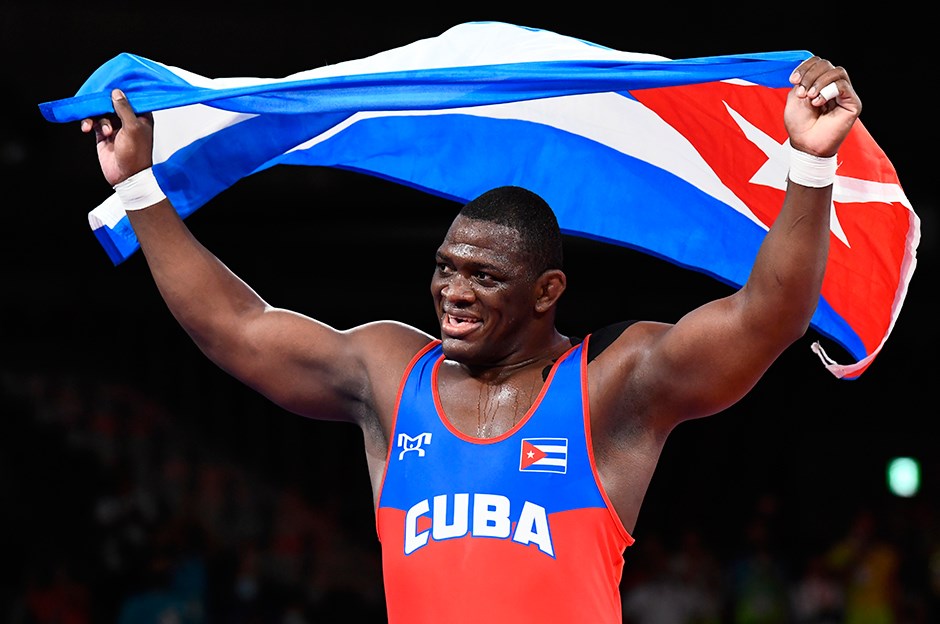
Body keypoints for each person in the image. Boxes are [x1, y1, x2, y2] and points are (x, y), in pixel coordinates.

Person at [79, 55, 861, 623]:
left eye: (483, 276)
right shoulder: (392, 376)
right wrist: (140, 187)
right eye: (446, 267)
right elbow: (238, 328)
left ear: (546, 292)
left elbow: (768, 316)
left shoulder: (609, 387)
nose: (453, 291)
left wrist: (810, 163)